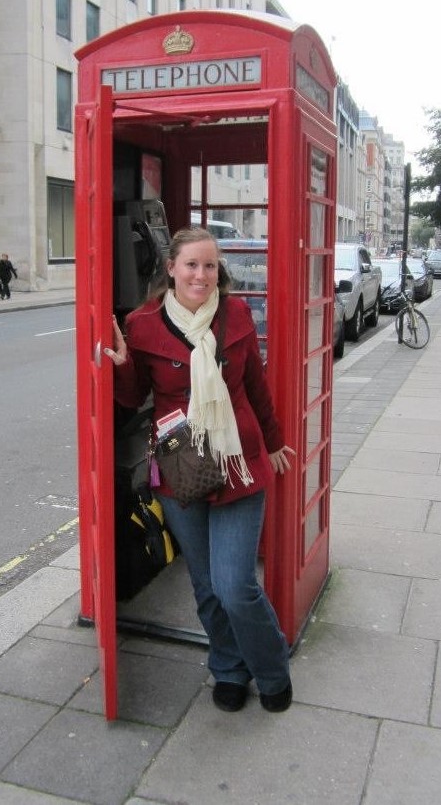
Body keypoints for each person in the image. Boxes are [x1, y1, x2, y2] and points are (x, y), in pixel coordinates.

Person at [105, 227, 295, 714]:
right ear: (170, 267)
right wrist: (122, 365)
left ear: (219, 272)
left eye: (210, 266)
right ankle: (228, 669)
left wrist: (273, 442)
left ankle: (272, 670)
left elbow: (256, 385)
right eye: (191, 264)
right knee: (207, 586)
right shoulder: (144, 324)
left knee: (236, 585)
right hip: (181, 466)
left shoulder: (235, 315)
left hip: (238, 463)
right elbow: (131, 398)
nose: (201, 275)